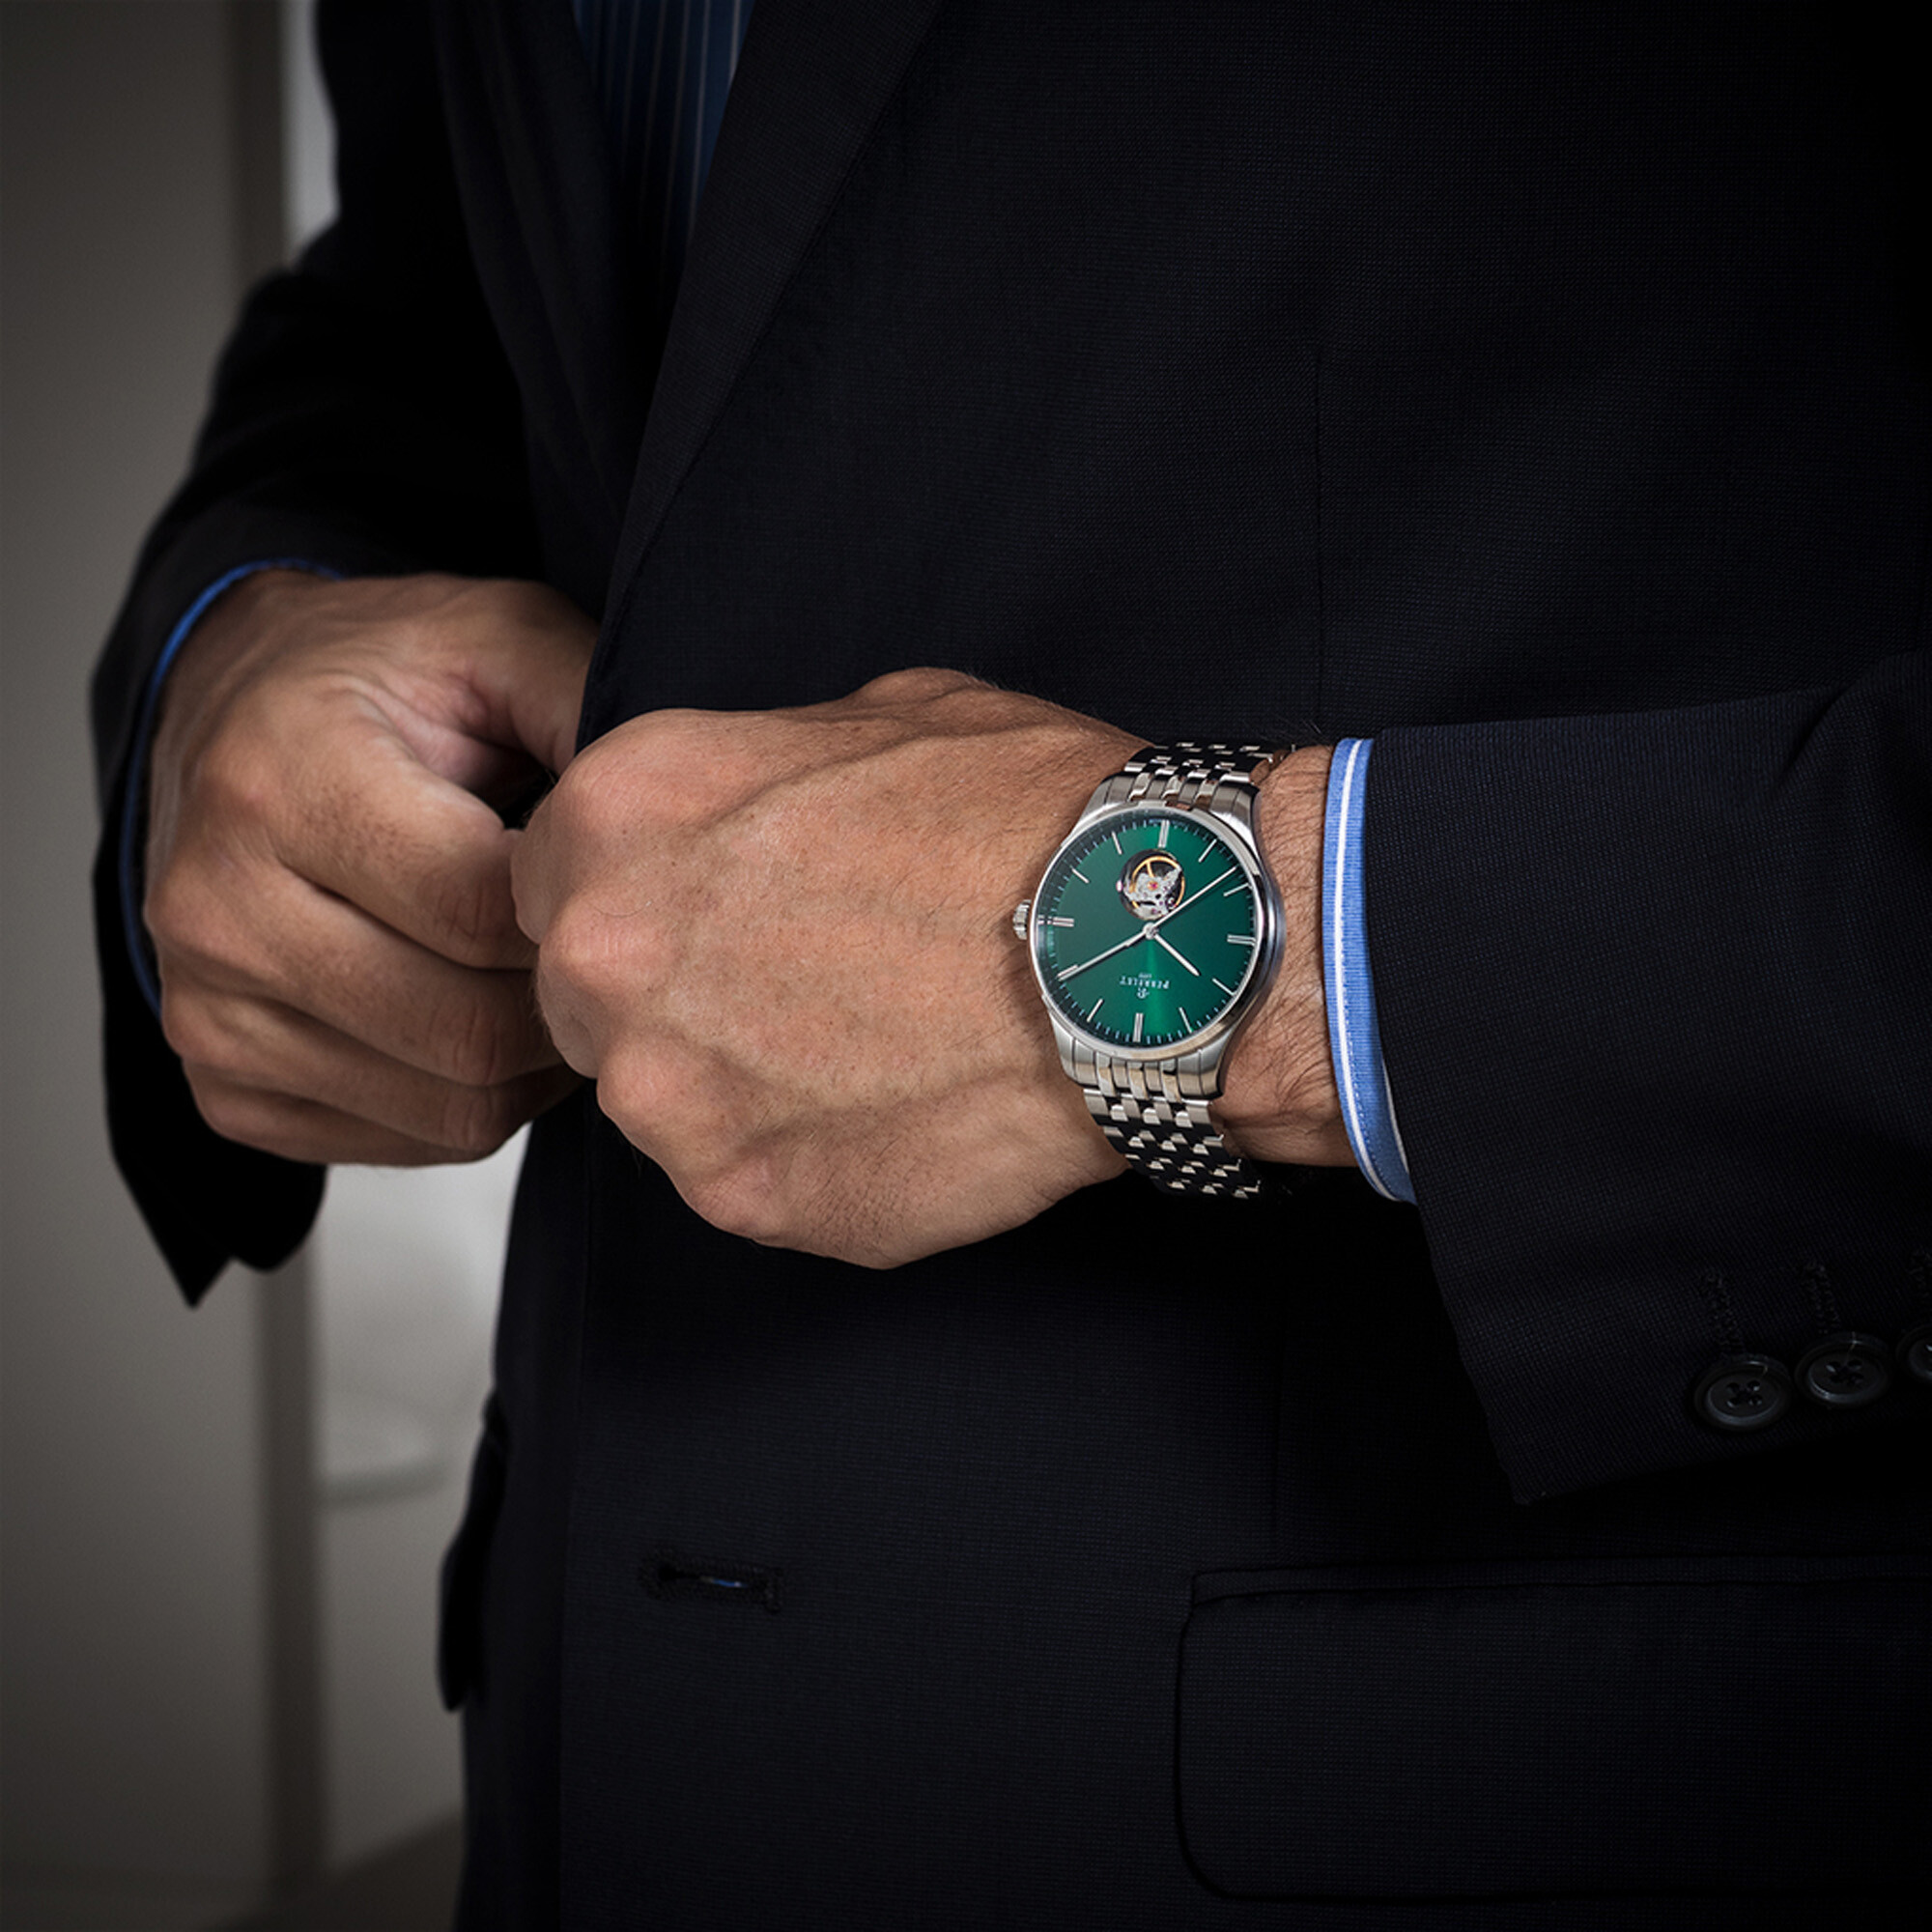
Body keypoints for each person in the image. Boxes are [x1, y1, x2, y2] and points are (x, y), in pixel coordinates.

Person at [92, 3, 1929, 1926]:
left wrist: (1259, 958)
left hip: (1548, 1765)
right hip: (588, 1744)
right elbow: (428, 332)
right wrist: (232, 655)